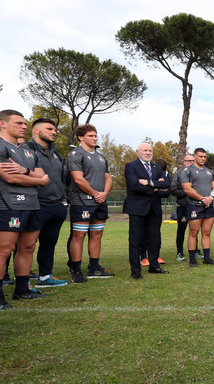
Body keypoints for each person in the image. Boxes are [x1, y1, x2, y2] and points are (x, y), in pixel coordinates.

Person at [0, 110, 51, 309]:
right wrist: (37, 179)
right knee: (4, 250)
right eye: (19, 123)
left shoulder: (28, 150)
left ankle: (22, 290)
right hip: (8, 205)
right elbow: (10, 177)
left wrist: (27, 172)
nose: (24, 126)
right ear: (2, 124)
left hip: (32, 205)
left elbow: (43, 177)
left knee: (28, 248)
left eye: (24, 123)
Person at [24, 118, 69, 287]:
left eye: (55, 129)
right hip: (35, 205)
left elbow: (62, 180)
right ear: (36, 130)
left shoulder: (57, 154)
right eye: (49, 129)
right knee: (26, 245)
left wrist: (63, 201)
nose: (54, 132)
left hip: (56, 205)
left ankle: (45, 277)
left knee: (49, 244)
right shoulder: (24, 150)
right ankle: (23, 279)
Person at [67, 123, 114, 281]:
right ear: (81, 137)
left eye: (95, 135)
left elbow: (107, 177)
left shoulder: (101, 157)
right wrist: (95, 193)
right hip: (82, 202)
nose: (94, 138)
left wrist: (105, 193)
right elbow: (78, 179)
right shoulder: (75, 154)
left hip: (100, 201)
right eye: (90, 136)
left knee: (97, 234)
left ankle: (94, 268)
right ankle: (76, 270)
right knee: (79, 236)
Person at [124, 142, 170, 279]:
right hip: (137, 209)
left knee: (155, 239)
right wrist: (156, 187)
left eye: (150, 150)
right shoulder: (131, 166)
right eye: (145, 150)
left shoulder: (156, 168)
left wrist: (150, 183)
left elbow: (167, 185)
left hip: (154, 209)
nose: (148, 153)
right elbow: (134, 186)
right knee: (136, 240)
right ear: (138, 151)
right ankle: (135, 271)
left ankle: (154, 266)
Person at [181, 148, 214, 267]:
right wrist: (202, 199)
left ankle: (207, 258)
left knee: (207, 232)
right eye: (200, 156)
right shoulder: (187, 171)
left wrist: (210, 198)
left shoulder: (209, 171)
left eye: (205, 157)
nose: (203, 159)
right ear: (195, 157)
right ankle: (192, 259)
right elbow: (187, 189)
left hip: (209, 206)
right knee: (193, 232)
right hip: (194, 206)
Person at [169, 154, 201, 262]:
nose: (191, 163)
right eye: (189, 161)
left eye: (193, 161)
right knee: (181, 230)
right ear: (184, 162)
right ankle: (180, 253)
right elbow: (173, 190)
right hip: (183, 207)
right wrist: (187, 191)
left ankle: (195, 250)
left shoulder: (198, 175)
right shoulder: (179, 175)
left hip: (195, 207)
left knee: (195, 230)